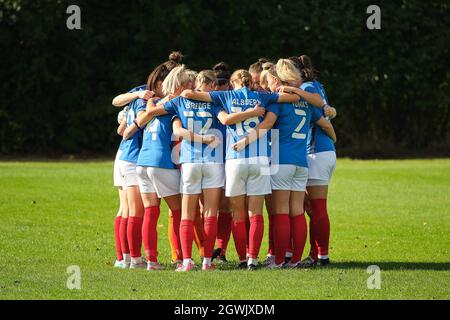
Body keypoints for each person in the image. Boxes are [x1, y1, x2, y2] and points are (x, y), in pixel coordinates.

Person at [180, 69, 320, 270]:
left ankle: (242, 258)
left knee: (238, 213)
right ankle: (254, 259)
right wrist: (286, 89)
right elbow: (293, 97)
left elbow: (192, 95)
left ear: (234, 82)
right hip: (260, 159)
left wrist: (190, 93)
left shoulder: (225, 95)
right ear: (249, 82)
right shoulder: (263, 96)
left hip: (235, 159)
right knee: (256, 213)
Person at [232, 64, 336, 268]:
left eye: (269, 81)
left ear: (278, 80)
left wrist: (245, 141)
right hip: (301, 162)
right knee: (297, 211)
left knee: (280, 212)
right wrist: (334, 136)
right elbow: (324, 121)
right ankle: (294, 259)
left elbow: (267, 124)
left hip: (282, 161)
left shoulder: (279, 102)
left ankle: (278, 260)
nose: (267, 85)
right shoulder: (304, 101)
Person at [123, 63, 196, 271]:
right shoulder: (177, 103)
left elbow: (135, 126)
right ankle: (182, 259)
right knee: (178, 211)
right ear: (181, 85)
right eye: (190, 84)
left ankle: (151, 261)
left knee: (151, 212)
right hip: (161, 162)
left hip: (142, 162)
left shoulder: (153, 102)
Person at [111, 106, 130, 268]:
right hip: (129, 157)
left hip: (122, 155)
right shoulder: (144, 97)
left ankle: (122, 257)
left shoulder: (137, 97)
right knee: (128, 209)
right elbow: (121, 130)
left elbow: (120, 129)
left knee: (124, 209)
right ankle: (125, 257)